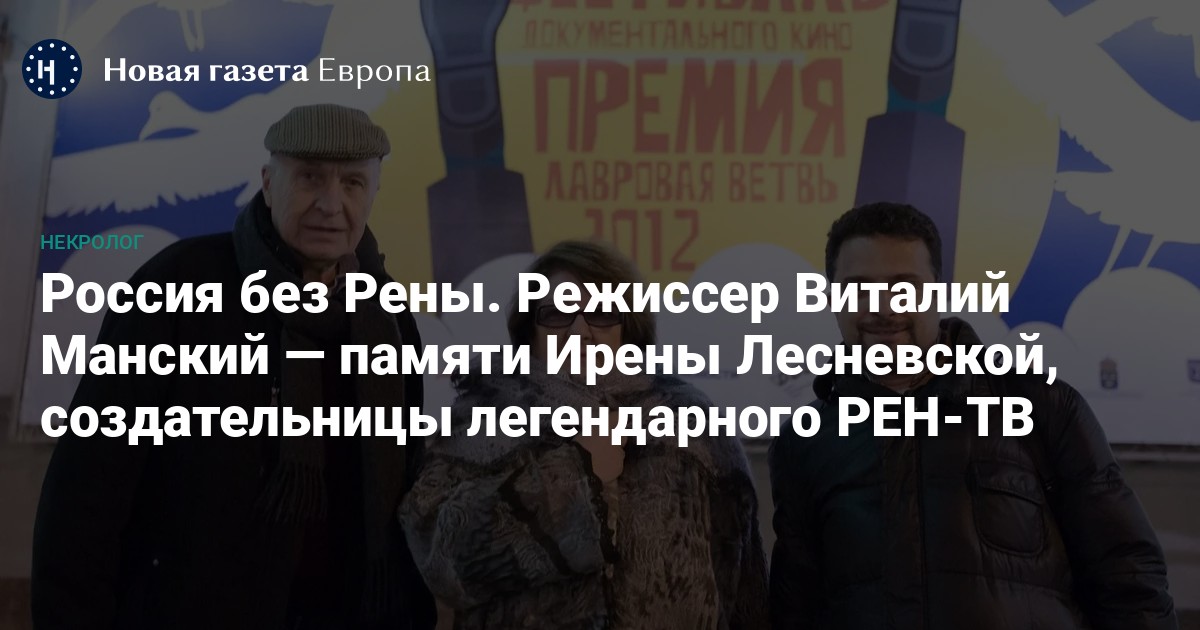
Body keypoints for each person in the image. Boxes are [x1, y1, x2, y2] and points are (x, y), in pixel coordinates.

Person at [32, 104, 436, 630]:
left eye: (353, 183)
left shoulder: (388, 317)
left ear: (373, 194)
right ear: (268, 184)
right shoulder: (177, 286)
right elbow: (84, 494)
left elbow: (403, 493)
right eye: (309, 178)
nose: (331, 204)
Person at [768, 202, 1179, 629]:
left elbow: (1129, 579)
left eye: (904, 288)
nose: (883, 309)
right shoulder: (804, 443)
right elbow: (794, 609)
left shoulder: (1044, 406)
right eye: (859, 289)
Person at [398, 240, 770, 630]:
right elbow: (435, 558)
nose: (579, 329)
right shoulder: (481, 420)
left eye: (602, 312)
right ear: (530, 330)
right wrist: (575, 477)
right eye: (556, 314)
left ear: (628, 326)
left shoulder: (692, 424)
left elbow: (747, 591)